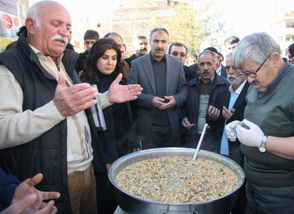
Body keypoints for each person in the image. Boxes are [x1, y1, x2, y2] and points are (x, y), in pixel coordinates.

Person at [0, 1, 142, 213]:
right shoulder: (11, 66)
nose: (64, 32)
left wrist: (106, 99)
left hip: (87, 171)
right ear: (30, 25)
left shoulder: (63, 63)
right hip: (53, 180)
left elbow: (75, 109)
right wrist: (56, 110)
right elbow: (3, 129)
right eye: (56, 24)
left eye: (68, 27)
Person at [226, 32, 294, 214]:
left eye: (252, 72)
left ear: (275, 59)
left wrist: (263, 141)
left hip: (286, 192)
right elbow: (261, 118)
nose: (250, 79)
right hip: (252, 184)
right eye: (246, 74)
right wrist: (239, 126)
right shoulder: (257, 83)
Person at [80, 38, 140, 214]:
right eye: (105, 57)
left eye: (114, 58)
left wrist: (135, 142)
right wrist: (104, 158)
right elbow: (92, 129)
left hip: (124, 147)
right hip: (103, 154)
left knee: (125, 197)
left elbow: (127, 117)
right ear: (95, 58)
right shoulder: (86, 85)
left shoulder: (119, 80)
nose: (109, 62)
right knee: (106, 202)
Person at [127, 27, 187, 149]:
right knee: (150, 166)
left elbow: (184, 90)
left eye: (163, 41)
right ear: (150, 42)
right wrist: (149, 100)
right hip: (148, 129)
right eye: (156, 41)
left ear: (168, 43)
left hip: (172, 127)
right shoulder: (137, 64)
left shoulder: (177, 64)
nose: (159, 45)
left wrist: (176, 100)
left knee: (172, 165)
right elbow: (131, 92)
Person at [206, 52, 249, 214]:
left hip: (240, 155)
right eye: (228, 68)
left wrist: (235, 118)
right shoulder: (223, 93)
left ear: (244, 69)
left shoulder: (251, 93)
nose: (231, 72)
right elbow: (212, 123)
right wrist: (212, 117)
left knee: (239, 197)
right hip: (220, 152)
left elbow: (255, 123)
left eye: (235, 68)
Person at [181, 50, 229, 150]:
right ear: (197, 66)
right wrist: (184, 118)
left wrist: (216, 119)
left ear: (216, 66)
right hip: (192, 137)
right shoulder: (190, 85)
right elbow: (183, 107)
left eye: (209, 64)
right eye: (202, 64)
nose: (205, 68)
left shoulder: (226, 86)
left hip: (215, 139)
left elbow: (229, 115)